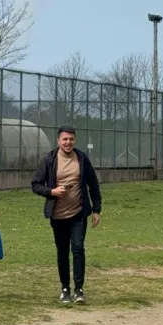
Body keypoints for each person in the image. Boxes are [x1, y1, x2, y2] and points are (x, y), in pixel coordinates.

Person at [31, 126, 102, 305]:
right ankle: (65, 289)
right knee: (62, 251)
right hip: (58, 214)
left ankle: (79, 290)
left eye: (71, 139)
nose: (68, 142)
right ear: (58, 141)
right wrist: (52, 191)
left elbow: (93, 185)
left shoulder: (82, 158)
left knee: (78, 248)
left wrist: (96, 210)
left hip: (79, 212)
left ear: (75, 140)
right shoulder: (49, 159)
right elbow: (35, 185)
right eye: (65, 139)